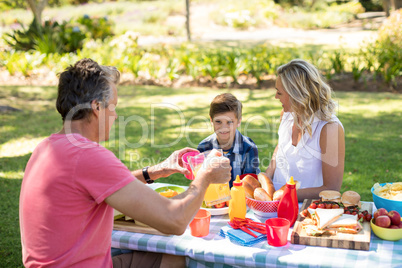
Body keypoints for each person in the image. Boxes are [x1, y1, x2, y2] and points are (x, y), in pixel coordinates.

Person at [19, 58, 231, 268]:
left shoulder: (47, 148)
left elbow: (106, 186)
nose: (115, 115)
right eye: (113, 107)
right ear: (97, 107)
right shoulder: (87, 156)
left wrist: (158, 170)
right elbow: (175, 220)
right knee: (188, 259)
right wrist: (205, 177)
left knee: (168, 257)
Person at [263, 59, 345, 201]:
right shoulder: (287, 114)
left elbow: (331, 189)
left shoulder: (329, 129)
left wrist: (286, 195)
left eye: (279, 93)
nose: (276, 97)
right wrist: (267, 175)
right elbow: (281, 147)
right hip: (275, 204)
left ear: (296, 94)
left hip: (307, 211)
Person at [197, 93, 260, 188]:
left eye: (229, 122)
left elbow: (250, 184)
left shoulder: (249, 148)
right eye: (218, 122)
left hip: (240, 199)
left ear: (238, 121)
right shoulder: (204, 147)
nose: (223, 128)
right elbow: (200, 182)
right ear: (211, 120)